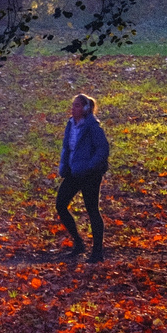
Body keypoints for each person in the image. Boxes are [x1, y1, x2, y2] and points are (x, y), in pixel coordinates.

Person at [56, 92, 110, 261]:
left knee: (92, 210)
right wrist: (64, 165)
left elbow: (103, 149)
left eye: (77, 105)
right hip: (73, 172)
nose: (73, 109)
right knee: (60, 204)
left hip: (89, 175)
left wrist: (90, 166)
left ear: (86, 109)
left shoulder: (93, 126)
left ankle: (97, 252)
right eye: (73, 105)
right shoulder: (70, 124)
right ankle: (79, 243)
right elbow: (67, 147)